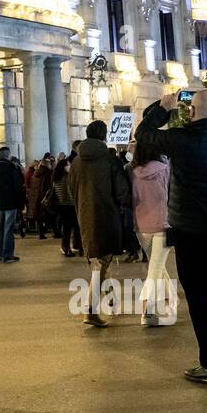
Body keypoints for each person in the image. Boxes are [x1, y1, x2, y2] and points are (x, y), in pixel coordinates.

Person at [135, 90, 207, 387]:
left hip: (189, 230)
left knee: (198, 298)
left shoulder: (181, 140)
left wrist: (162, 108)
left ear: (191, 112)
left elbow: (144, 133)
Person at [68, 122, 129, 325]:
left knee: (99, 261)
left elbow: (71, 190)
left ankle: (111, 300)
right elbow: (122, 192)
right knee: (102, 262)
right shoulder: (110, 160)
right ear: (104, 135)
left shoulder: (76, 162)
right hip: (107, 217)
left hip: (84, 217)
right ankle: (91, 310)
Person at [131, 141, 175, 327]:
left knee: (157, 265)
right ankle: (146, 311)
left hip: (140, 225)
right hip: (162, 222)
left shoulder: (132, 170)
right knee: (155, 268)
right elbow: (173, 195)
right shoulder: (165, 169)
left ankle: (170, 298)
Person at [0, 146, 26, 263]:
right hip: (10, 202)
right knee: (8, 228)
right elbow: (18, 186)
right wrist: (21, 203)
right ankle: (7, 254)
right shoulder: (11, 168)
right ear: (8, 155)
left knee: (0, 228)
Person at [52, 148, 79, 257]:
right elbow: (70, 192)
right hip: (69, 205)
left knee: (67, 228)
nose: (70, 167)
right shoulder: (66, 178)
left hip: (61, 206)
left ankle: (66, 246)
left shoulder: (56, 178)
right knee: (70, 228)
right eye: (68, 165)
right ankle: (67, 247)